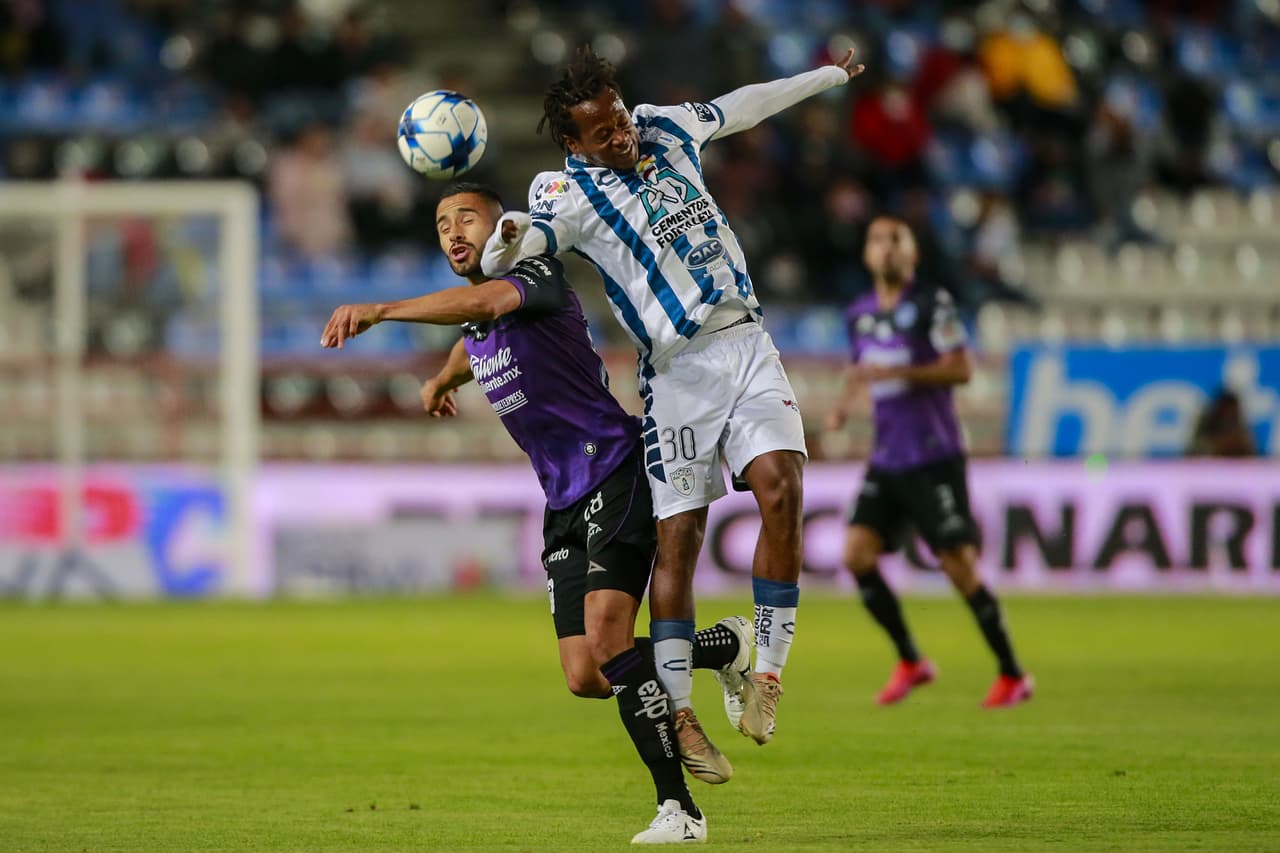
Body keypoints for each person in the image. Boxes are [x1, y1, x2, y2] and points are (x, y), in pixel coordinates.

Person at [320, 182, 755, 843]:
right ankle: (723, 645)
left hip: (617, 468)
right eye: (442, 223)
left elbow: (486, 301)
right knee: (586, 673)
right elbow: (474, 331)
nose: (454, 230)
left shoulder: (535, 272)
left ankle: (681, 810)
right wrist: (443, 378)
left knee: (610, 640)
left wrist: (382, 309)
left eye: (468, 216)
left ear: (504, 227)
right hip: (562, 501)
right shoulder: (474, 317)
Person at [481, 45, 867, 762]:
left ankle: (770, 675)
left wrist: (827, 76)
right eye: (602, 133)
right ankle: (685, 708)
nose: (621, 134)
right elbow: (518, 248)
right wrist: (503, 242)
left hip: (747, 340)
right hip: (678, 372)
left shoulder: (664, 126)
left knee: (782, 488)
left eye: (619, 118)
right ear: (574, 144)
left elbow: (744, 103)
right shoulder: (563, 197)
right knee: (680, 540)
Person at [826, 216, 1034, 709]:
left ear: (913, 254)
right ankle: (911, 661)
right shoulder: (858, 313)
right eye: (877, 240)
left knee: (959, 567)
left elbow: (961, 368)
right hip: (887, 459)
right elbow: (862, 368)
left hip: (934, 454)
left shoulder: (932, 303)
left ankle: (1012, 673)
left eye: (897, 240)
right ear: (866, 254)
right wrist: (841, 406)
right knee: (856, 555)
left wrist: (899, 370)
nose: (887, 249)